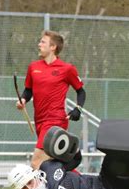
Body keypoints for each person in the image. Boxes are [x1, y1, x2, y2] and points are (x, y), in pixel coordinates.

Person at [16, 30, 86, 170]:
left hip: (55, 120)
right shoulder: (33, 67)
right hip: (39, 121)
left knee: (36, 163)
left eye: (43, 42)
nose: (39, 44)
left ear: (53, 47)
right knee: (51, 164)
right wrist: (23, 100)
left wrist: (77, 109)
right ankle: (77, 183)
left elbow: (81, 91)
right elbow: (28, 90)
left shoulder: (67, 69)